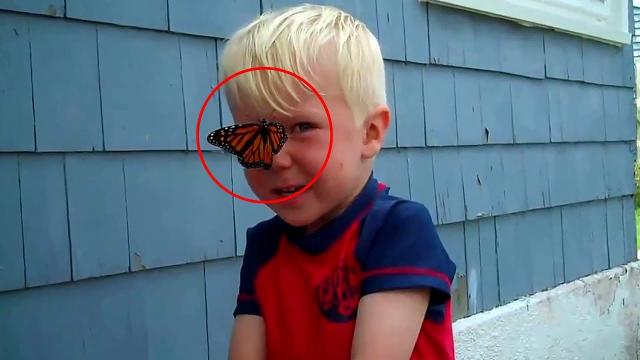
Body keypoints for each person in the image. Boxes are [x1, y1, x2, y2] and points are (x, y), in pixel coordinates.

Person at [219, 4, 457, 359]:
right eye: (254, 136)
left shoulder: (397, 231)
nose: (274, 158)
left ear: (370, 133)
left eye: (301, 128)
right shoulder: (265, 247)